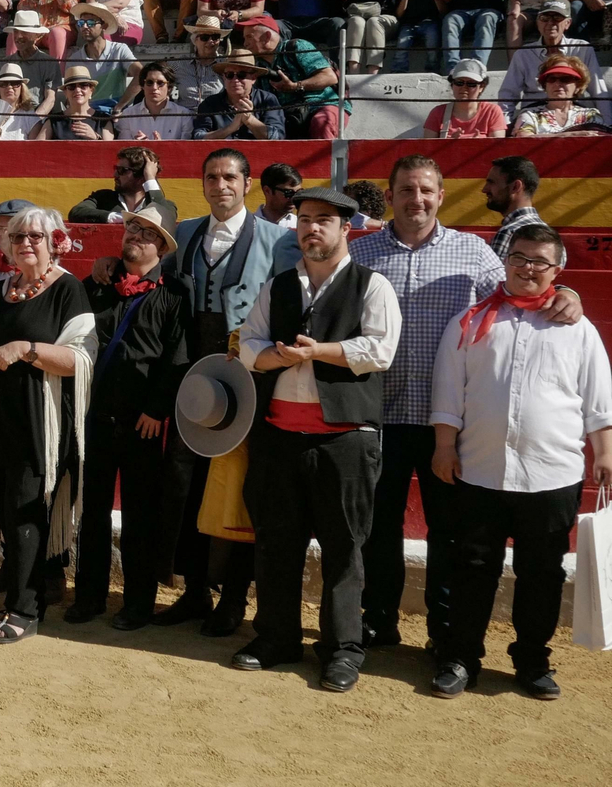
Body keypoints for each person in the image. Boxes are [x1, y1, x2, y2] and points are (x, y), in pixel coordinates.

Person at [350, 154, 580, 651]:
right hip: (379, 414)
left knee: (449, 533)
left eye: (426, 190)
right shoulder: (363, 254)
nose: (417, 199)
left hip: (448, 424)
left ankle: (445, 631)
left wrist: (568, 293)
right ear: (389, 197)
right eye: (407, 190)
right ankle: (379, 618)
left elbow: (524, 292)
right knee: (377, 527)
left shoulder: (474, 254)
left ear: (441, 195)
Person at [429, 223, 612, 700]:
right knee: (471, 568)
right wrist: (444, 446)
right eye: (520, 257)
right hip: (479, 470)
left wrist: (605, 451)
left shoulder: (578, 329)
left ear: (558, 270)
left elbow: (597, 398)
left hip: (552, 473)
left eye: (540, 262)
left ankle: (532, 662)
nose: (528, 268)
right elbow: (449, 393)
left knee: (543, 573)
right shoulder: (470, 322)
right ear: (505, 260)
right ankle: (460, 657)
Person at [235, 186, 402, 694]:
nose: (311, 228)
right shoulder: (279, 285)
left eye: (323, 220)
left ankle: (343, 650)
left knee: (344, 549)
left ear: (345, 228)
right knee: (277, 543)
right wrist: (276, 358)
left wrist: (318, 351)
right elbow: (248, 345)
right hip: (280, 435)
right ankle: (278, 637)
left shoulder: (372, 286)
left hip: (344, 440)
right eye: (304, 219)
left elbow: (381, 350)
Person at [143, 148, 300, 635]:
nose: (220, 185)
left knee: (242, 488)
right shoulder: (186, 233)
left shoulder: (280, 241)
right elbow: (159, 286)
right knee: (183, 484)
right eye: (211, 176)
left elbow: (291, 308)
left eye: (230, 177)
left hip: (249, 379)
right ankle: (194, 592)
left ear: (248, 184)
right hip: (194, 378)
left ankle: (233, 598)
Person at [0, 205, 95, 642]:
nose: (26, 244)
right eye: (18, 237)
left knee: (26, 513)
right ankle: (22, 593)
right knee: (8, 508)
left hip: (39, 422)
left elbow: (81, 358)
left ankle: (24, 608)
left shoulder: (68, 290)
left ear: (54, 241)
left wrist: (27, 348)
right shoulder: (0, 289)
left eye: (36, 237)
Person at [73, 203, 192, 630]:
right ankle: (89, 597)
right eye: (131, 230)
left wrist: (157, 409)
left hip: (142, 419)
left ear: (161, 245)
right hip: (95, 414)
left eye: (145, 233)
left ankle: (139, 603)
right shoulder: (99, 284)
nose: (134, 238)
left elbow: (176, 355)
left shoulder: (176, 292)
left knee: (141, 516)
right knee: (93, 513)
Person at [68, 146, 177, 224]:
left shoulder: (166, 205)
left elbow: (164, 218)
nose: (115, 174)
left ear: (141, 175)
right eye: (116, 169)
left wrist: (150, 178)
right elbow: (76, 212)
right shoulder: (103, 198)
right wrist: (121, 218)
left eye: (122, 170)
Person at [513, 54, 603, 135]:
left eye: (565, 79)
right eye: (552, 79)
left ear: (578, 86)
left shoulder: (590, 114)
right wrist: (569, 135)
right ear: (545, 85)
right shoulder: (531, 114)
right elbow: (524, 140)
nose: (557, 84)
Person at [423, 59, 507, 138]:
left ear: (481, 87)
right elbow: (427, 149)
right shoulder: (438, 113)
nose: (464, 87)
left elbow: (498, 149)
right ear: (452, 85)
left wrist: (481, 145)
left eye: (471, 83)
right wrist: (448, 145)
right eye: (459, 82)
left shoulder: (492, 112)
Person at [483, 155, 542, 259]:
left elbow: (495, 274)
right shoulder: (550, 236)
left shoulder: (508, 233)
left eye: (491, 182)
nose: (484, 189)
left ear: (515, 187)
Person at [255, 163, 301, 229]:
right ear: (267, 191)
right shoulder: (247, 226)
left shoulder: (300, 226)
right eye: (288, 192)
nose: (293, 198)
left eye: (298, 192)